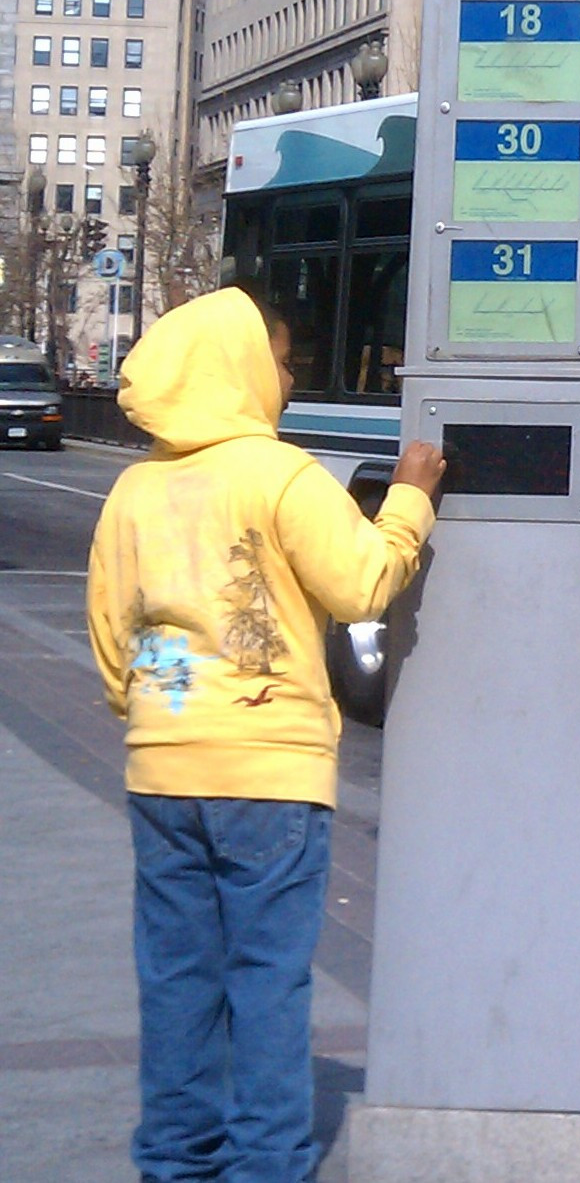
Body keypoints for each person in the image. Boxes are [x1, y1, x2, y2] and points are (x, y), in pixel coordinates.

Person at [85, 285, 445, 1183]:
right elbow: (364, 582)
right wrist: (406, 501)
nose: (289, 378)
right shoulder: (280, 474)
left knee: (176, 984)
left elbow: (114, 637)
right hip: (271, 774)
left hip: (164, 772)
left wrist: (170, 714)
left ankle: (174, 1160)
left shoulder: (135, 490)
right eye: (282, 360)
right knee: (267, 981)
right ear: (242, 367)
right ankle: (264, 1166)